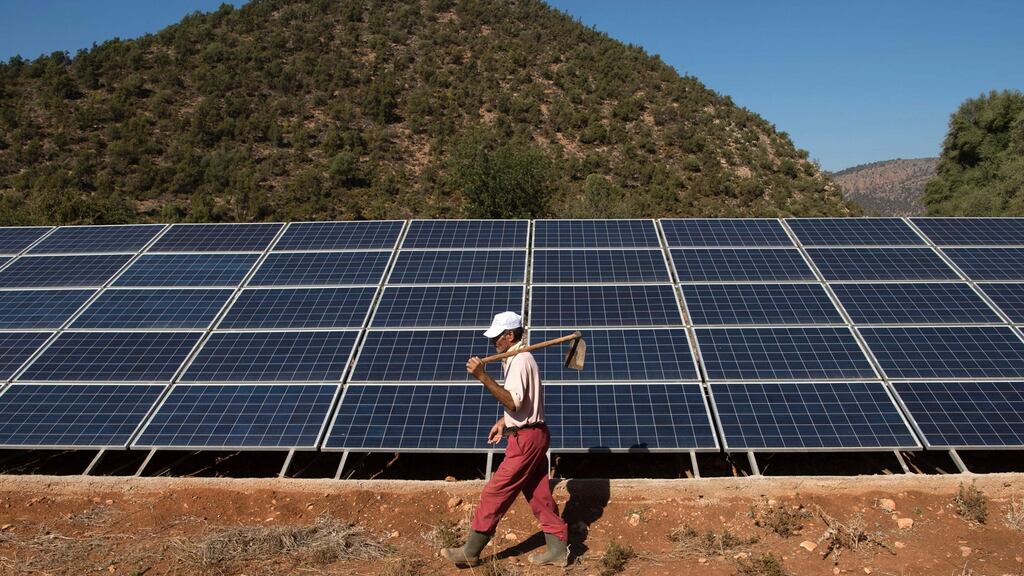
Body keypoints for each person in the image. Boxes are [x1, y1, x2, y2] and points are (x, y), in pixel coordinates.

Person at [442, 311, 569, 568]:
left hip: (526, 439)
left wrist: (482, 377)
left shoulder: (520, 361)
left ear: (510, 335)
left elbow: (513, 400)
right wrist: (504, 423)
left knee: (495, 492)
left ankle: (471, 551)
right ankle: (557, 549)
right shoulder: (516, 358)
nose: (493, 343)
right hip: (531, 433)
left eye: (497, 338)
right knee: (538, 493)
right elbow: (524, 404)